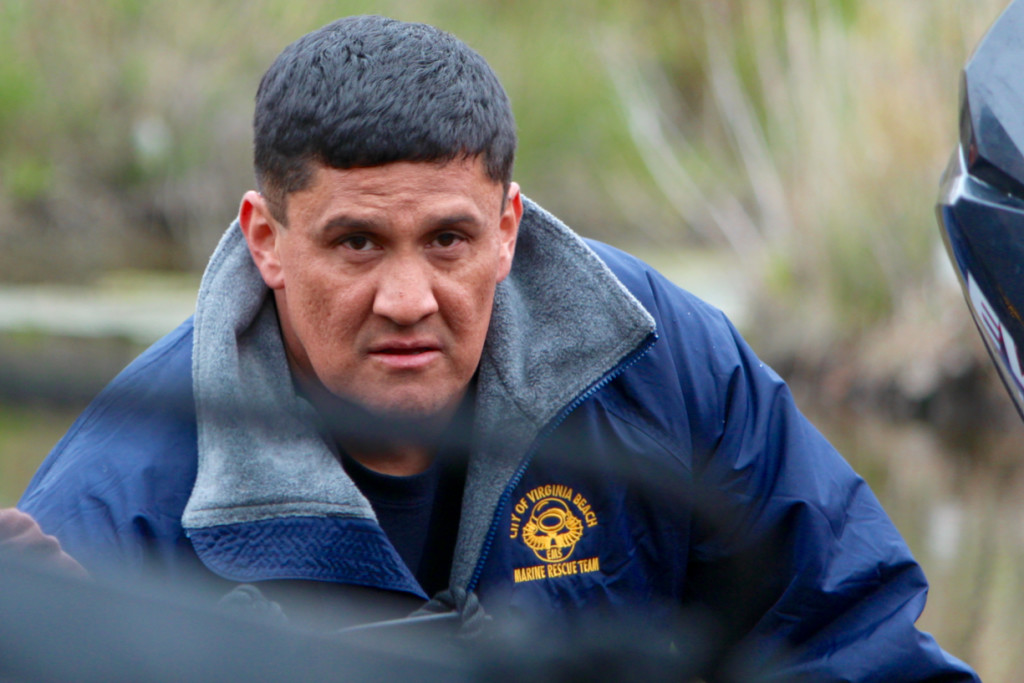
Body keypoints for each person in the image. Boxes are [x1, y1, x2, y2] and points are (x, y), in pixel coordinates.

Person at [16, 14, 977, 680]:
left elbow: (848, 636)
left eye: (448, 240)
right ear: (267, 240)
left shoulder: (657, 363)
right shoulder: (120, 498)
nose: (407, 299)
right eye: (356, 243)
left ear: (509, 228)